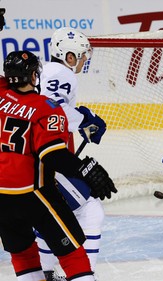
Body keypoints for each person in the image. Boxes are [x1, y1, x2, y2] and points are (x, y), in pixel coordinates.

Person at [0, 50, 116, 281]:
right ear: (34, 76)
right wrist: (86, 170)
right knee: (73, 253)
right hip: (33, 194)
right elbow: (52, 155)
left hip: (1, 197)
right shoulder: (47, 108)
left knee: (23, 255)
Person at [37, 27, 108, 280]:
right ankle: (81, 275)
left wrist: (82, 119)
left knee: (57, 211)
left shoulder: (46, 70)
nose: (84, 59)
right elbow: (51, 111)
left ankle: (44, 272)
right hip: (42, 159)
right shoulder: (61, 73)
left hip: (33, 158)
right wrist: (84, 120)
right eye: (80, 55)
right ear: (68, 56)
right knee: (90, 210)